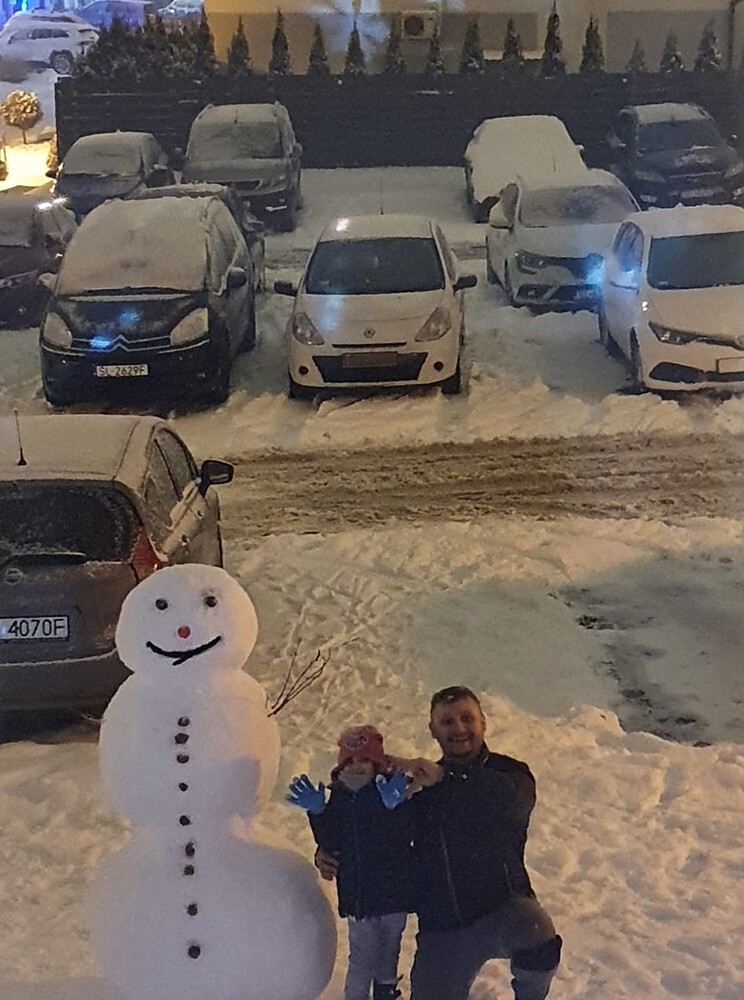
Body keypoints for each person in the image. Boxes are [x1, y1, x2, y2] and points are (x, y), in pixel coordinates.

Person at [317, 687, 562, 1000]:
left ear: (483, 723)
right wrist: (328, 847)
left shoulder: (510, 774)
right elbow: (374, 835)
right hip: (443, 928)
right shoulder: (419, 788)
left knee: (538, 936)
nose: (458, 728)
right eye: (447, 721)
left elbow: (506, 801)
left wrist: (446, 777)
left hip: (504, 908)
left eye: (466, 718)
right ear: (433, 730)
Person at [287, 724, 416, 1000]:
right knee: (361, 956)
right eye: (351, 760)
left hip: (395, 895)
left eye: (365, 760)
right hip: (359, 897)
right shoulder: (338, 801)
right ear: (340, 766)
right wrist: (318, 812)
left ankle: (386, 991)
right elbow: (330, 843)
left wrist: (395, 808)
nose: (357, 766)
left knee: (389, 950)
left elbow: (405, 837)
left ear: (377, 765)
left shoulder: (389, 795)